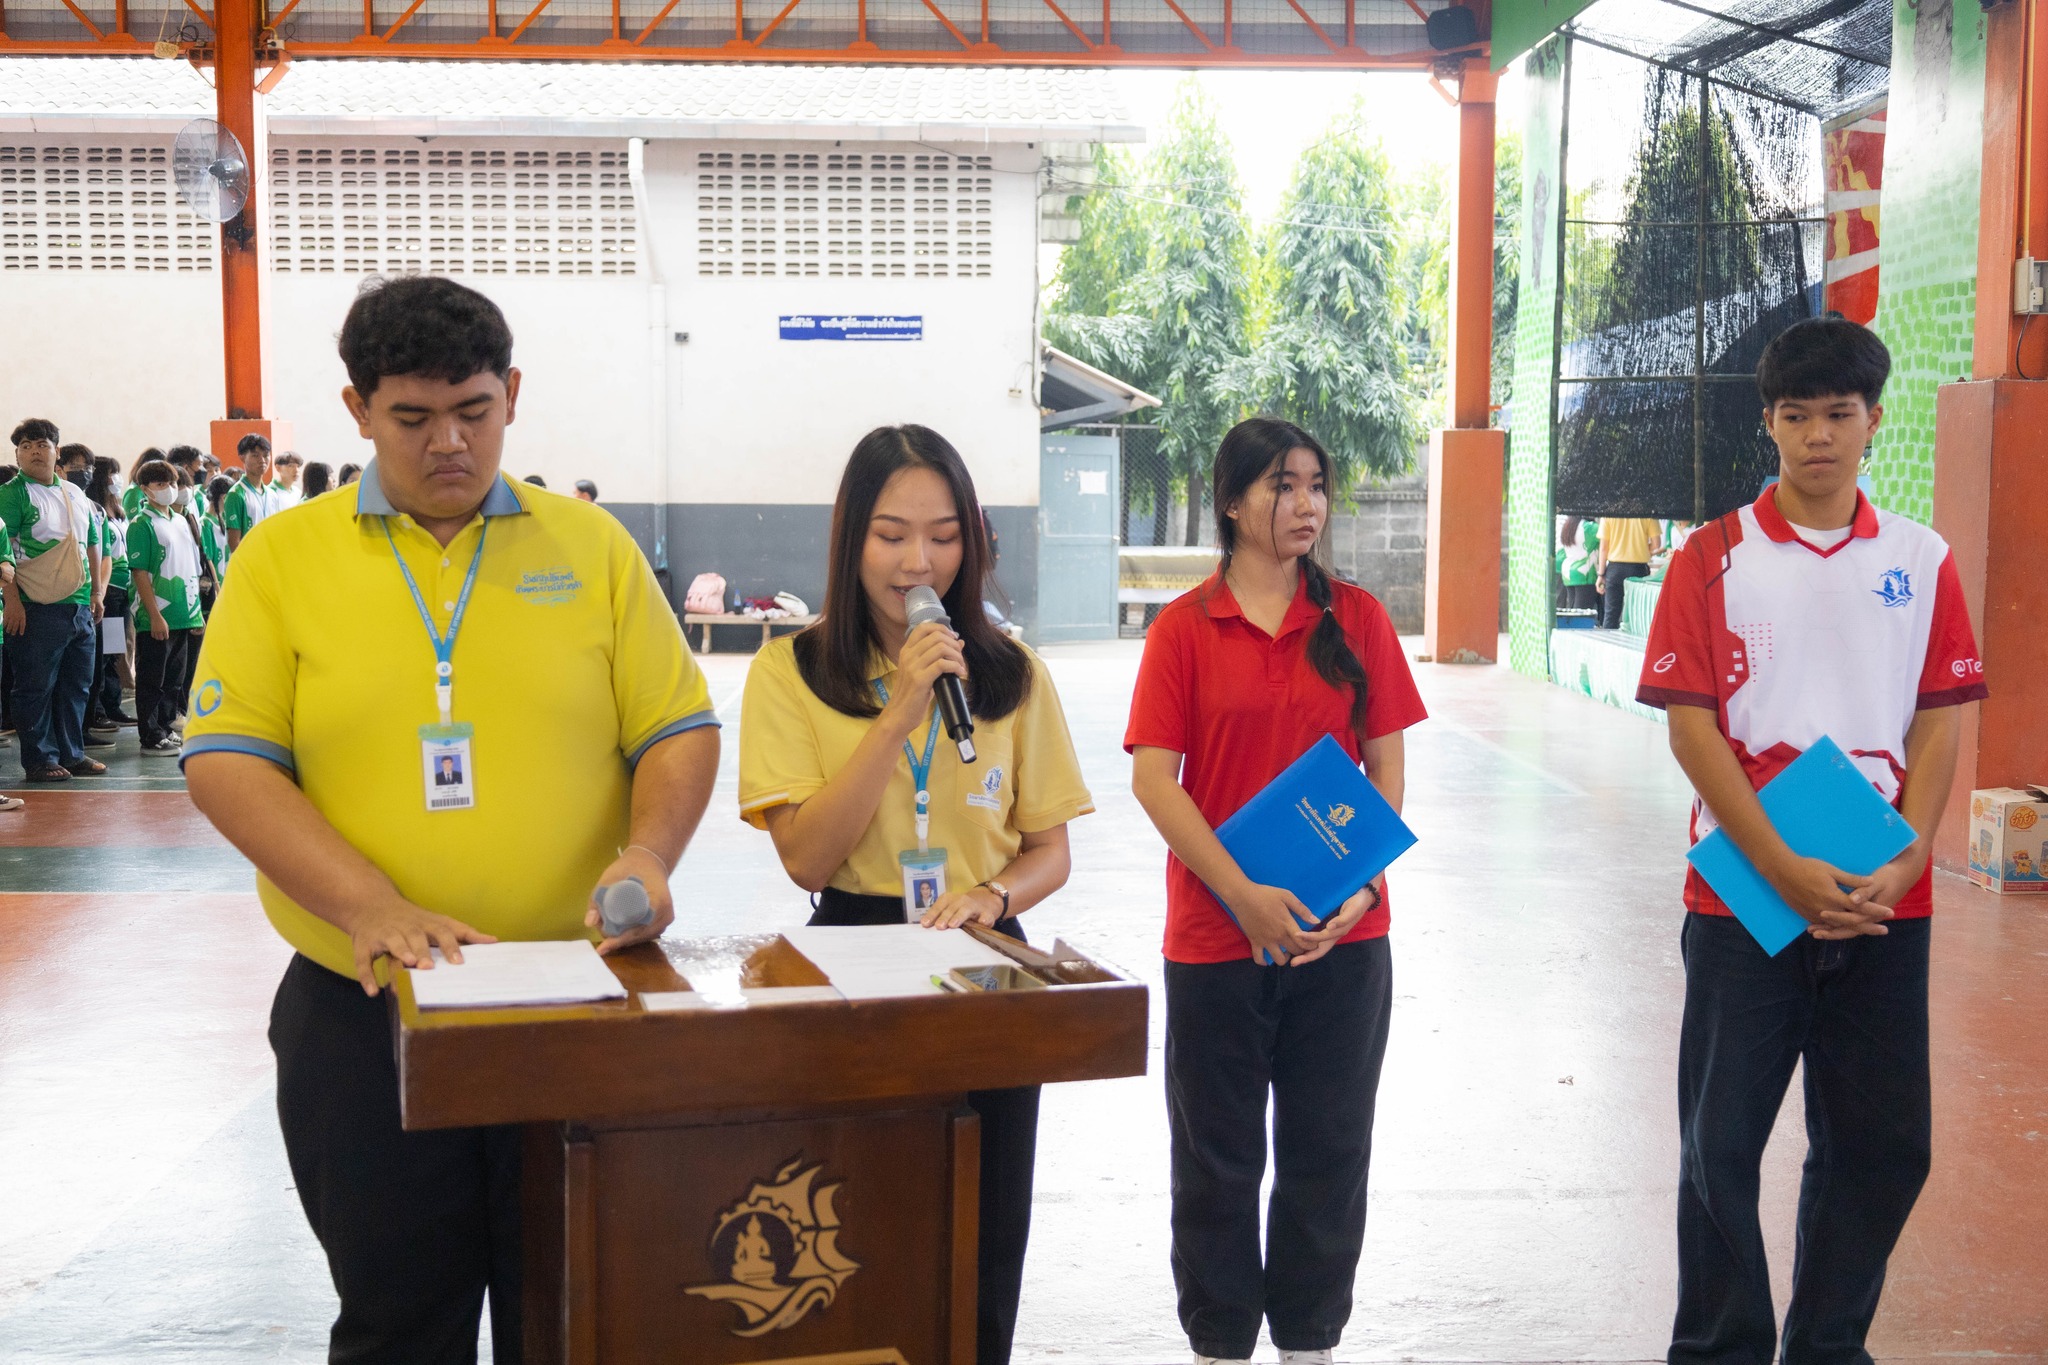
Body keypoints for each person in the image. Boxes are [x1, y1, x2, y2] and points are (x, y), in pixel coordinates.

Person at [181, 275, 722, 1364]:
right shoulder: (284, 560)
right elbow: (227, 762)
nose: (447, 445)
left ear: (511, 394)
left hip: (574, 1000)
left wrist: (650, 852)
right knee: (397, 1321)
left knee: (579, 1307)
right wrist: (368, 905)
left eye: (472, 412)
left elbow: (677, 727)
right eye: (412, 418)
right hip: (364, 1009)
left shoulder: (592, 549)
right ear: (357, 410)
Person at [1634, 317, 1987, 1365]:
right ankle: (1717, 1348)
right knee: (1719, 1148)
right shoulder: (1709, 558)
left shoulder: (1920, 561)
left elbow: (1937, 716)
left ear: (1872, 422)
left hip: (1884, 900)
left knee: (1882, 1148)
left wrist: (1912, 852)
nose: (1817, 436)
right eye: (1795, 415)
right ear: (1768, 424)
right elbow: (1690, 726)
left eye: (1838, 414)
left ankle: (1826, 1345)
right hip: (1742, 900)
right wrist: (1777, 865)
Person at [737, 423, 1093, 1365]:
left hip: (983, 962)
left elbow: (1050, 851)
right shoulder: (791, 671)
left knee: (983, 1225)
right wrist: (899, 710)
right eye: (891, 534)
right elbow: (807, 861)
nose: (918, 560)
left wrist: (996, 896)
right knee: (853, 1223)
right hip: (851, 955)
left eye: (942, 534)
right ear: (852, 540)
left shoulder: (1015, 676)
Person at [1126, 417, 1427, 1365]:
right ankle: (1219, 1343)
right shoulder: (1184, 628)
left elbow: (1386, 773)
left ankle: (1310, 1343)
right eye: (1280, 486)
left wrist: (1359, 886)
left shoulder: (1360, 620)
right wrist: (1244, 894)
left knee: (1329, 1154)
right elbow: (1154, 781)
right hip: (1216, 941)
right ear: (1230, 500)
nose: (1304, 504)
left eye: (1315, 485)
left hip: (1344, 941)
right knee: (1215, 1160)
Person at [2, 420, 107, 783]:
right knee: (35, 686)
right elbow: (3, 552)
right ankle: (40, 760)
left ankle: (72, 753)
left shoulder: (75, 494)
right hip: (35, 606)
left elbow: (93, 542)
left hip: (80, 605)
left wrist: (95, 593)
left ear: (56, 451)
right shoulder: (12, 494)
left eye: (43, 444)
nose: (35, 450)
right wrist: (11, 603)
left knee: (76, 685)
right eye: (26, 445)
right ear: (17, 453)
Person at [127, 459, 207, 756]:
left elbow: (191, 568)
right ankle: (150, 736)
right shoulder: (142, 524)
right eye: (160, 484)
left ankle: (164, 725)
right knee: (152, 679)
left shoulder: (180, 520)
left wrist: (195, 613)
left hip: (185, 614)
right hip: (157, 616)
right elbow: (139, 573)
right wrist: (154, 615)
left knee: (175, 678)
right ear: (145, 489)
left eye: (172, 483)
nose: (169, 489)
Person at [84, 455, 136, 731]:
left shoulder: (116, 510)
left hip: (123, 590)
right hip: (109, 589)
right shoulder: (94, 510)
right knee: (103, 652)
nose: (117, 479)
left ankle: (113, 706)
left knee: (115, 650)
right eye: (112, 473)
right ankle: (100, 709)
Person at [221, 433, 286, 559]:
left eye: (266, 455)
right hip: (249, 565)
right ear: (242, 457)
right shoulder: (236, 495)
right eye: (255, 456)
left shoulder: (272, 495)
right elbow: (234, 543)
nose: (262, 460)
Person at [1595, 512, 1661, 629]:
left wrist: (1601, 574)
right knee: (1637, 614)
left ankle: (1609, 644)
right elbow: (1656, 544)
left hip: (1615, 570)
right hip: (1638, 570)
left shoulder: (1609, 514)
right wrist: (1643, 551)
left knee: (1611, 614)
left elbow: (1604, 548)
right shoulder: (1647, 513)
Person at [199, 475, 232, 608]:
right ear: (224, 497)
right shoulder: (205, 523)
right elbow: (209, 559)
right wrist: (218, 588)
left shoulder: (224, 520)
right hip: (218, 587)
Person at [1557, 515, 1599, 615]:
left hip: (1569, 573)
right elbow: (1607, 535)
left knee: (1572, 612)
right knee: (1581, 614)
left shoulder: (1569, 525)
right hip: (1585, 574)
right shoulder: (1589, 527)